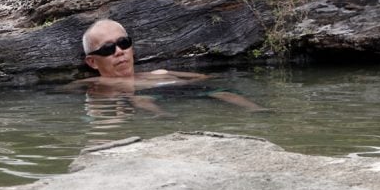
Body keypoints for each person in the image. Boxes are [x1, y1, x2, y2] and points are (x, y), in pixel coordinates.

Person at [69, 18, 266, 114]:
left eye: (124, 43)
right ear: (92, 62)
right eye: (108, 49)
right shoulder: (96, 82)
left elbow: (201, 79)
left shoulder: (158, 73)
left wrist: (204, 79)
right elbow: (76, 96)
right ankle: (163, 116)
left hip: (170, 88)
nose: (119, 51)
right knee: (137, 98)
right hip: (135, 97)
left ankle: (257, 110)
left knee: (219, 91)